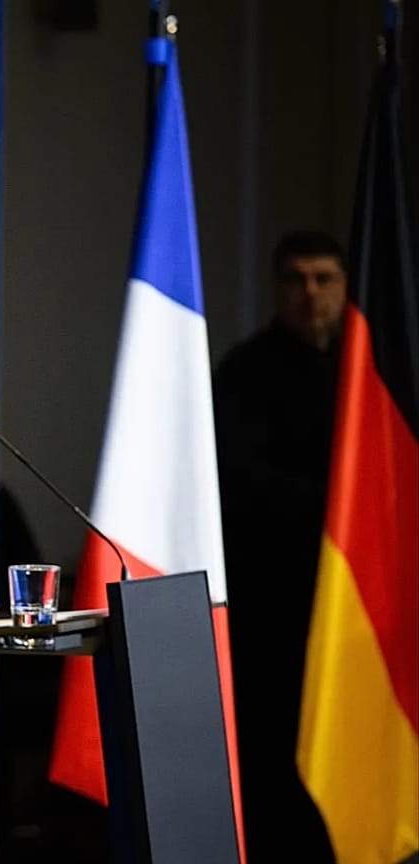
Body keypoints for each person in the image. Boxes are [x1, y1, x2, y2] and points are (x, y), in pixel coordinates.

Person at [213, 229, 346, 862]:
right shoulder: (245, 372)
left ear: (344, 287)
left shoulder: (369, 372)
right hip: (273, 608)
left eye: (324, 279)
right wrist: (335, 510)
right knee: (275, 766)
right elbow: (241, 485)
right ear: (276, 288)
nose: (310, 294)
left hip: (353, 610)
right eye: (296, 279)